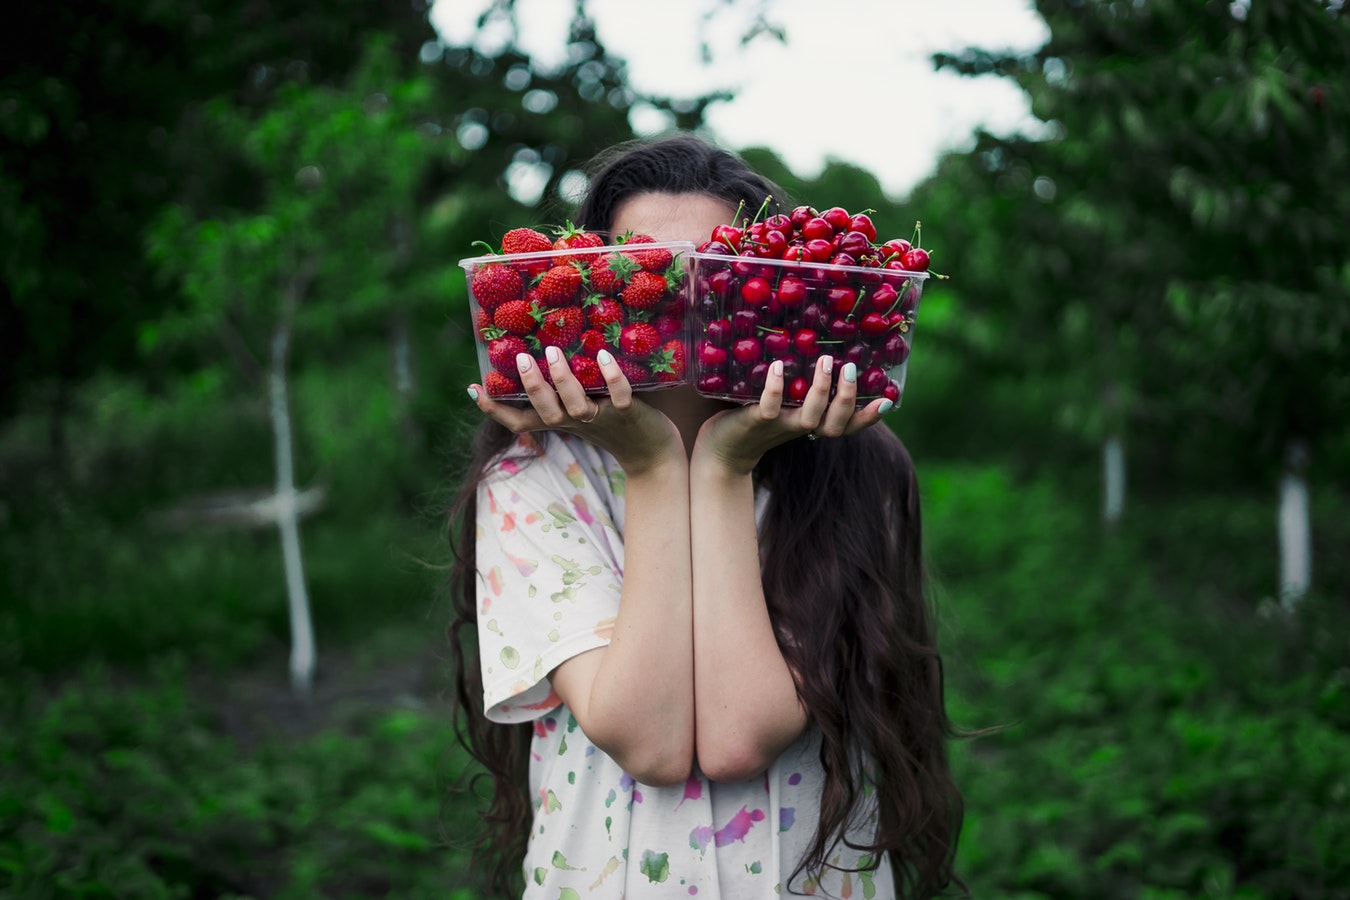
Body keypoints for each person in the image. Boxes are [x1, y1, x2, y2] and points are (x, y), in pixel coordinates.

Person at [446, 133, 964, 899]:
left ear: (768, 279)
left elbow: (737, 735)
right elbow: (650, 744)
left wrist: (722, 464)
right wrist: (656, 464)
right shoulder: (534, 479)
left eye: (712, 269)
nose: (677, 292)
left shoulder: (852, 466)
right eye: (644, 265)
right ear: (590, 281)